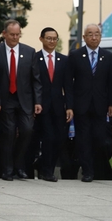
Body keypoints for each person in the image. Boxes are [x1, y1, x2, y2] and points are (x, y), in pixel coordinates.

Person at [0, 19, 42, 181]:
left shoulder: (29, 51)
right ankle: (8, 169)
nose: (15, 38)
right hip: (6, 100)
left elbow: (35, 79)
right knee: (9, 133)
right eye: (12, 35)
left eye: (18, 35)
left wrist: (37, 101)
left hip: (24, 99)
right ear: (4, 34)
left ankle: (19, 165)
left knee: (27, 130)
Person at [64, 24, 112, 182]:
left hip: (101, 106)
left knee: (100, 138)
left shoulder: (107, 56)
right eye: (90, 34)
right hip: (81, 105)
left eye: (97, 34)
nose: (94, 37)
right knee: (83, 139)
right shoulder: (75, 55)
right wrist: (70, 106)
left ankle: (98, 168)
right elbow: (68, 83)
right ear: (84, 37)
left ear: (100, 37)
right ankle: (87, 171)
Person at [33, 27, 72, 182]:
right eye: (48, 38)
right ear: (41, 39)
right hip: (41, 105)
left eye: (54, 38)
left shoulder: (64, 60)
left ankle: (41, 164)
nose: (52, 41)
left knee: (59, 138)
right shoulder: (34, 58)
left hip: (58, 106)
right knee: (48, 137)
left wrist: (69, 106)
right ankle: (47, 171)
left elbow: (68, 85)